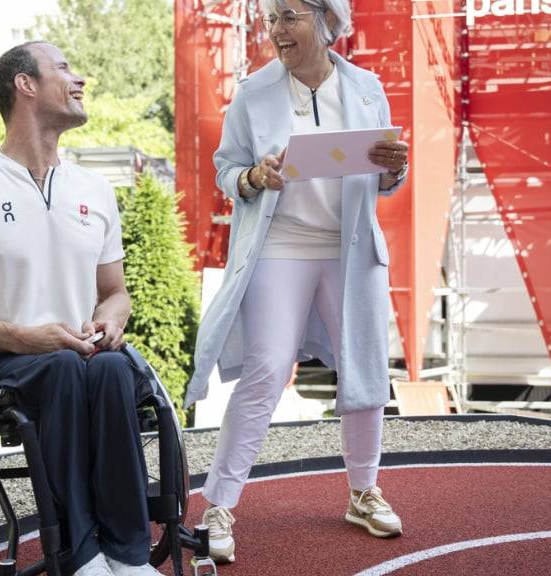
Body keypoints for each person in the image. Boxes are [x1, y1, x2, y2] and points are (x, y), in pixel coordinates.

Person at [0, 41, 161, 576]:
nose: (80, 79)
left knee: (116, 367)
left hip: (83, 354)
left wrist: (112, 319)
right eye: (65, 69)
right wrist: (27, 337)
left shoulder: (94, 188)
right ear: (24, 85)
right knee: (65, 366)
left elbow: (115, 291)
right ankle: (81, 552)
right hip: (4, 359)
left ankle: (128, 552)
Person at [182, 0, 410, 563]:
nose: (277, 32)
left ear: (326, 20)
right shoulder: (252, 93)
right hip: (279, 245)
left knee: (365, 368)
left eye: (289, 17)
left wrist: (393, 170)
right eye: (271, 20)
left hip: (348, 249)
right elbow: (226, 169)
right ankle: (219, 505)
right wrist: (256, 175)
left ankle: (363, 491)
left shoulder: (365, 87)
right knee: (265, 369)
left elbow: (383, 181)